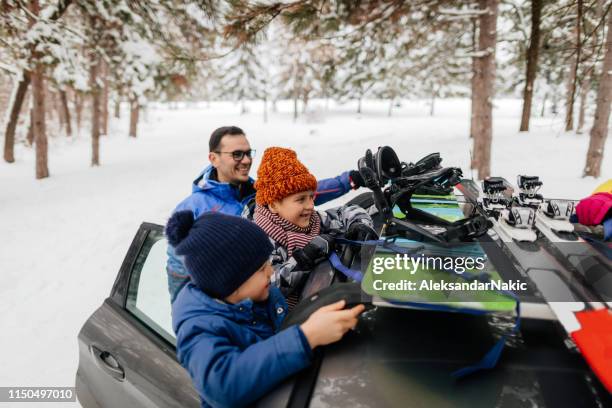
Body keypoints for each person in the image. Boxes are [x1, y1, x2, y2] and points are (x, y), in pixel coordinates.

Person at [167, 210, 365, 408]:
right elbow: (222, 387)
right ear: (231, 281)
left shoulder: (261, 294)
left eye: (268, 263)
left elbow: (285, 330)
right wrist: (306, 337)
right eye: (262, 269)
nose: (271, 272)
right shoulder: (197, 326)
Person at [166, 126, 366, 302]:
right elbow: (181, 272)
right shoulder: (193, 209)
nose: (246, 161)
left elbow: (301, 196)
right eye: (237, 154)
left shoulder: (258, 190)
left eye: (248, 153)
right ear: (213, 158)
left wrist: (347, 180)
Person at [253, 147, 377, 305]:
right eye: (301, 199)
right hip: (283, 321)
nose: (311, 205)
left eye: (312, 197)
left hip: (319, 299)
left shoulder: (315, 220)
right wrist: (304, 258)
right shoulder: (260, 239)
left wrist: (360, 225)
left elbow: (348, 211)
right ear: (274, 205)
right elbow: (268, 286)